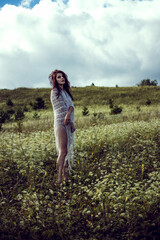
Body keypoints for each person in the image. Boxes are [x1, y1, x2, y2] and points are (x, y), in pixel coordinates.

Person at [49, 69, 75, 184]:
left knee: (68, 151)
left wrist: (71, 120)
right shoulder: (55, 92)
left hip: (68, 122)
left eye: (63, 76)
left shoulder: (66, 93)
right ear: (55, 80)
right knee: (63, 151)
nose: (62, 78)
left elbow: (71, 107)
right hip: (60, 122)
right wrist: (67, 115)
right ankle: (58, 180)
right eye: (59, 77)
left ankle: (66, 179)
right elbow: (61, 108)